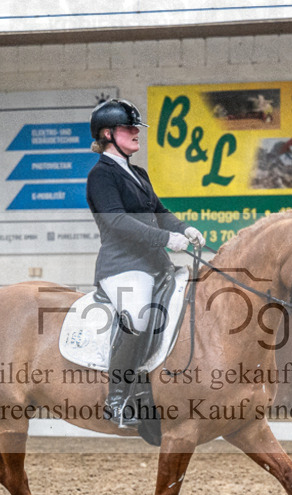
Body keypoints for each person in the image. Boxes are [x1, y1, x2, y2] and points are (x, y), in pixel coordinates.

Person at [86, 98, 205, 428]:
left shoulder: (137, 173)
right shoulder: (100, 176)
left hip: (155, 266)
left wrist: (183, 228)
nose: (137, 132)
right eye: (129, 128)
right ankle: (116, 398)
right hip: (122, 267)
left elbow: (160, 213)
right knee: (138, 319)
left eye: (136, 127)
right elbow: (117, 222)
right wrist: (165, 240)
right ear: (108, 134)